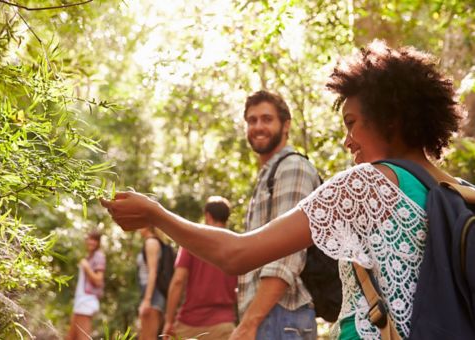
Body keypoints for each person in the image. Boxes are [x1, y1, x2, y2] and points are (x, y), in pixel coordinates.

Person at [101, 40, 464, 340]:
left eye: (351, 124)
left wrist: (156, 214)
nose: (346, 141)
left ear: (391, 119)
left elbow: (238, 254)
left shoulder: (367, 183)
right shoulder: (460, 193)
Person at [237, 90, 321, 339]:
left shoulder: (293, 167)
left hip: (282, 315)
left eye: (266, 119)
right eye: (252, 120)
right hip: (269, 316)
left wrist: (249, 322)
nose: (258, 126)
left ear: (286, 125)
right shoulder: (269, 174)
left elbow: (287, 255)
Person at [163, 196, 237, 340]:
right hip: (224, 326)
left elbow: (178, 281)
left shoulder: (192, 241)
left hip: (190, 326)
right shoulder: (236, 244)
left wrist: (169, 321)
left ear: (207, 216)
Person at [66, 230, 106, 340]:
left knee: (83, 337)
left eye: (94, 240)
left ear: (98, 242)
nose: (91, 242)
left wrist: (87, 267)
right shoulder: (89, 257)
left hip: (87, 300)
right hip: (81, 299)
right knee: (70, 337)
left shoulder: (98, 256)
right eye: (90, 239)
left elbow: (98, 280)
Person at [136, 227, 166, 340]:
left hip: (153, 293)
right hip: (150, 292)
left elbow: (153, 272)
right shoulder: (151, 242)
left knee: (149, 337)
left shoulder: (151, 242)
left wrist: (147, 300)